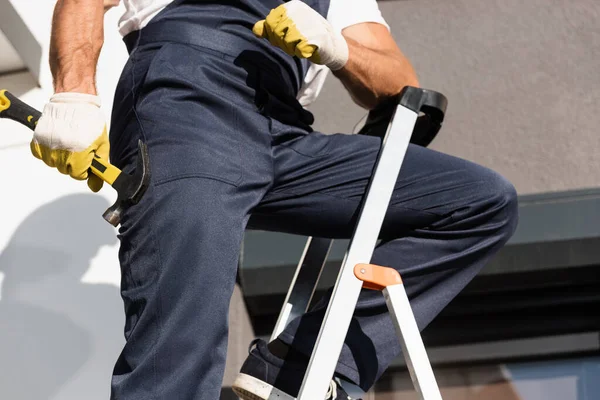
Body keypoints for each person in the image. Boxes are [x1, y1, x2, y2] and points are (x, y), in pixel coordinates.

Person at [31, 0, 519, 399]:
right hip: (188, 104)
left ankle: (295, 365)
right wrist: (75, 94)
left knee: (478, 202)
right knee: (177, 356)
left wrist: (337, 48)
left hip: (284, 132)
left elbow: (399, 82)